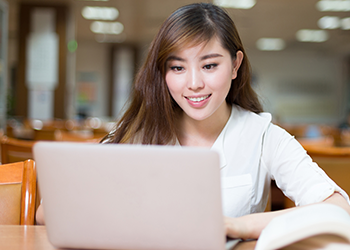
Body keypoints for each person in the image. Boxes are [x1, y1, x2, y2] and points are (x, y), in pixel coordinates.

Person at [36, 3, 350, 239]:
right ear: (163, 73)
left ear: (235, 64)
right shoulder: (138, 132)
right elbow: (46, 214)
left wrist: (235, 226)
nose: (194, 83)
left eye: (210, 65)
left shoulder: (264, 136)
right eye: (177, 68)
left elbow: (339, 209)